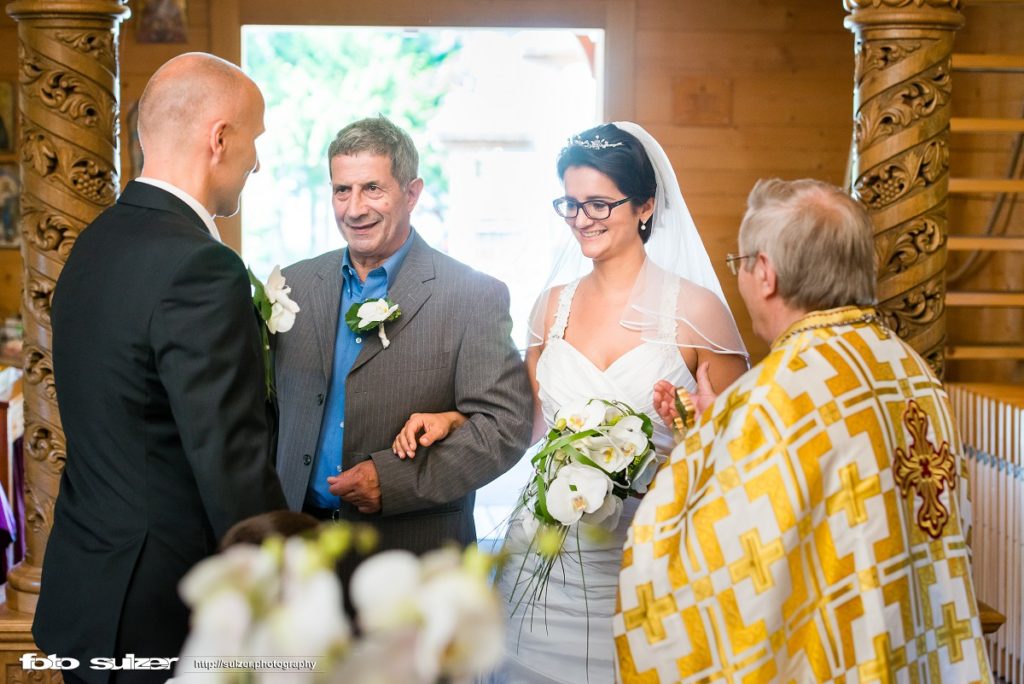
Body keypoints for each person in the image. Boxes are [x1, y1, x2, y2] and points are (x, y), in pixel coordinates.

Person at [616, 179, 992, 682]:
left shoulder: (775, 395)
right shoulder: (907, 368)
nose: (742, 278)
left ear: (765, 273)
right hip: (909, 635)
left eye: (741, 264)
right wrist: (712, 430)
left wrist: (708, 443)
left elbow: (710, 564)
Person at [34, 53, 287, 684]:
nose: (256, 161)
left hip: (85, 590)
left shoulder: (93, 245)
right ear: (219, 137)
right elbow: (228, 460)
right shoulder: (202, 267)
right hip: (159, 613)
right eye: (254, 139)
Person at [480, 123, 749, 683]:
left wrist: (693, 428)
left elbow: (740, 454)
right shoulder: (551, 307)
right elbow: (525, 429)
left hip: (646, 563)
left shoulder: (697, 311)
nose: (582, 219)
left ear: (646, 206)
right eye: (570, 203)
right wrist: (453, 417)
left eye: (599, 203)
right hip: (544, 562)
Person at [273, 115, 532, 554]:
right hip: (299, 550)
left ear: (412, 193)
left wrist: (395, 481)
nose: (354, 208)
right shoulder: (292, 286)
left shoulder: (472, 295)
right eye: (342, 190)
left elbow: (505, 426)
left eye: (372, 188)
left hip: (414, 554)